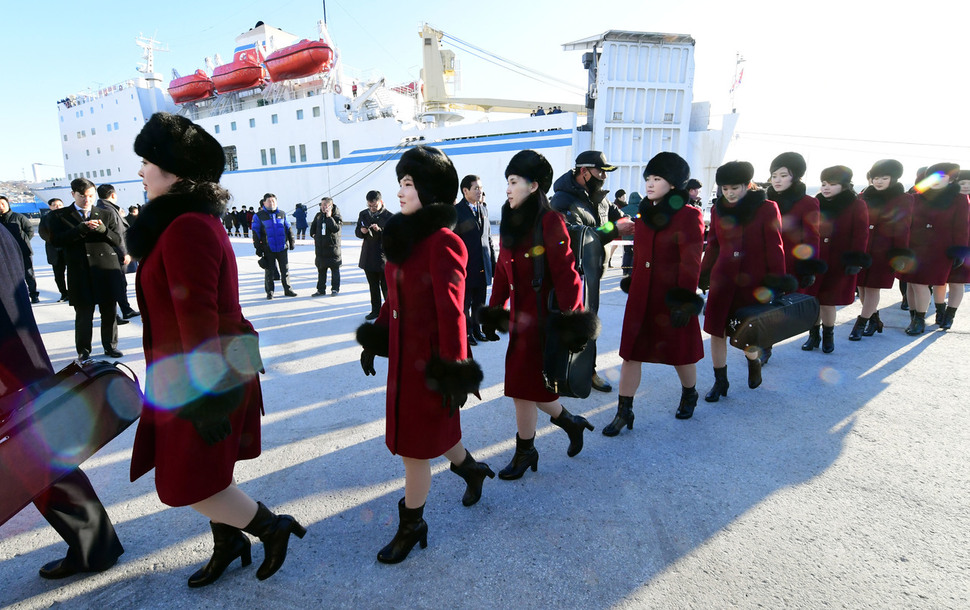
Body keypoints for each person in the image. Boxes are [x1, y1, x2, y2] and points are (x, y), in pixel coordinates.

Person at [127, 112, 305, 587]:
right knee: (208, 471)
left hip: (207, 371)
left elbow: (198, 317)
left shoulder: (186, 226)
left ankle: (271, 527)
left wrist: (207, 397)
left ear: (177, 173)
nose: (140, 172)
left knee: (189, 483)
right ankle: (229, 543)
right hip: (204, 364)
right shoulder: (184, 222)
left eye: (148, 162)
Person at [355, 145, 492, 564]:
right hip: (403, 357)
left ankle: (412, 526)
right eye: (400, 183)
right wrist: (376, 338)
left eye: (409, 184)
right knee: (433, 434)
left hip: (430, 364)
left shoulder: (443, 242)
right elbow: (390, 300)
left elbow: (452, 312)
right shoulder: (402, 235)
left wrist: (454, 370)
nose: (399, 191)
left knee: (415, 449)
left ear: (429, 190)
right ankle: (471, 468)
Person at [0, 227, 125, 580]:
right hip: (19, 364)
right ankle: (95, 544)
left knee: (33, 457)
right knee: (39, 454)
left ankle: (95, 546)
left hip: (9, 371)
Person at [480, 150, 600, 480]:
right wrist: (494, 311)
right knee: (528, 388)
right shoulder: (510, 220)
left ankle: (525, 450)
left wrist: (573, 321)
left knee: (524, 389)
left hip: (545, 322)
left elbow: (567, 274)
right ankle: (570, 423)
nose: (507, 187)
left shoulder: (549, 220)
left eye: (514, 181)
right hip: (521, 320)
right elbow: (503, 273)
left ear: (534, 186)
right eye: (507, 181)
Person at [603, 153, 705, 433]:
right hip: (641, 294)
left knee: (680, 352)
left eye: (657, 179)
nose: (650, 183)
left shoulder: (689, 215)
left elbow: (691, 261)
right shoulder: (643, 213)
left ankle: (689, 393)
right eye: (648, 178)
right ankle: (624, 412)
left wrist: (684, 301)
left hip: (672, 296)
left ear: (673, 184)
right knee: (631, 353)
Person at [700, 161, 790, 400]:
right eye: (725, 188)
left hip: (753, 281)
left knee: (747, 333)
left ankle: (754, 362)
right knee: (716, 330)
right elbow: (714, 245)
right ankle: (720, 382)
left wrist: (777, 282)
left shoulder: (767, 208)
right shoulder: (718, 209)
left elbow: (775, 246)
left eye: (735, 188)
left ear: (748, 185)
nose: (729, 193)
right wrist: (704, 274)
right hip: (722, 279)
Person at [551, 150, 635, 392]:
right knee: (567, 323)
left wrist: (627, 222)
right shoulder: (561, 201)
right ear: (584, 171)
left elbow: (618, 217)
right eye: (600, 172)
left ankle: (588, 370)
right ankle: (559, 374)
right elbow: (569, 238)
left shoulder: (599, 198)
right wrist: (614, 229)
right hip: (571, 275)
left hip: (593, 272)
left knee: (590, 323)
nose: (604, 177)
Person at [47, 178, 124, 359]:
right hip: (79, 270)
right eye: (82, 196)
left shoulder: (105, 213)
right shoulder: (59, 216)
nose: (87, 200)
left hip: (105, 268)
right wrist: (80, 229)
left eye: (90, 195)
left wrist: (103, 230)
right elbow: (56, 241)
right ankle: (84, 350)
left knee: (109, 312)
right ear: (73, 194)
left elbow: (118, 240)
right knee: (83, 314)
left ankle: (110, 346)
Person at [803, 166, 869, 351]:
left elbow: (861, 234)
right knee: (813, 299)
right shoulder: (816, 202)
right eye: (824, 183)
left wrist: (856, 259)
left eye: (832, 184)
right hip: (817, 259)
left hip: (839, 261)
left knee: (828, 301)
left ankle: (828, 336)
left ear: (844, 185)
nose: (826, 187)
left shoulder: (856, 204)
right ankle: (813, 335)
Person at [898, 163, 969, 334]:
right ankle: (914, 317)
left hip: (940, 248)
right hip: (914, 246)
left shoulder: (958, 199)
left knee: (922, 283)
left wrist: (959, 250)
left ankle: (922, 319)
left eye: (942, 177)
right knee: (912, 283)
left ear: (950, 179)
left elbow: (961, 226)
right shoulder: (917, 197)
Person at [766, 152, 823, 360]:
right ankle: (765, 346)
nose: (777, 180)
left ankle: (815, 332)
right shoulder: (764, 200)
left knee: (786, 309)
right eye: (774, 175)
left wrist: (808, 266)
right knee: (765, 307)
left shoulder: (808, 203)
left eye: (783, 175)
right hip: (765, 262)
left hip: (791, 264)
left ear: (795, 176)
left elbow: (811, 236)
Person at [854, 160, 914, 337]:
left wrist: (900, 255)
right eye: (875, 178)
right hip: (864, 249)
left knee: (873, 287)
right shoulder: (864, 196)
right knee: (862, 287)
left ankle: (860, 324)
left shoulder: (903, 199)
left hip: (884, 250)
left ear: (893, 178)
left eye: (884, 178)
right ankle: (874, 320)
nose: (878, 181)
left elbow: (903, 227)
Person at [454, 174, 496, 345]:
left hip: (482, 264)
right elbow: (454, 243)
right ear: (465, 191)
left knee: (480, 302)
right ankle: (467, 332)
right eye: (476, 188)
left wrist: (493, 263)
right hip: (466, 266)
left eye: (481, 187)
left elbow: (489, 239)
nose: (480, 191)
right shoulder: (457, 212)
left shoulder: (483, 209)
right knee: (465, 303)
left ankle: (477, 330)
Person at [96, 184, 140, 323]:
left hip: (112, 252)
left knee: (119, 283)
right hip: (114, 253)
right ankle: (115, 314)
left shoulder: (105, 208)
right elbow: (117, 234)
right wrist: (124, 253)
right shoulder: (108, 209)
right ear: (113, 195)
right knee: (116, 283)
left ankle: (125, 310)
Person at [935, 170, 970, 329]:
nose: (966, 187)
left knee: (957, 282)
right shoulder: (948, 200)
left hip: (966, 248)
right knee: (939, 281)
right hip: (945, 245)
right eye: (963, 183)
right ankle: (939, 311)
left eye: (969, 184)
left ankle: (950, 315)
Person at [356, 190, 394, 319]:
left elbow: (393, 237)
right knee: (373, 287)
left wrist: (380, 230)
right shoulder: (363, 214)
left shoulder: (389, 216)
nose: (372, 209)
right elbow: (357, 232)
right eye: (370, 206)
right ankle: (375, 310)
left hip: (383, 258)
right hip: (368, 256)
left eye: (375, 206)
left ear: (381, 202)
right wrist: (362, 231)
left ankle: (389, 311)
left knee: (386, 287)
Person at [252, 193, 297, 300]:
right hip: (268, 248)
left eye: (273, 201)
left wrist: (292, 241)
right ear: (264, 203)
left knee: (285, 270)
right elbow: (256, 233)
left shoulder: (282, 214)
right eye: (269, 201)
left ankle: (288, 289)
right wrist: (258, 248)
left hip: (282, 247)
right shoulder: (258, 216)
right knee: (269, 271)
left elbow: (288, 228)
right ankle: (270, 292)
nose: (271, 203)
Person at [0, 194, 39, 303]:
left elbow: (29, 231)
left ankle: (34, 295)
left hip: (23, 251)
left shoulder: (19, 217)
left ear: (7, 204)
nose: (1, 206)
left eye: (3, 204)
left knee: (29, 274)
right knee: (11, 276)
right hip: (5, 254)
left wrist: (22, 242)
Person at [38, 198, 70, 302]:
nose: (58, 206)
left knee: (73, 273)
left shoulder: (68, 215)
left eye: (60, 204)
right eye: (55, 205)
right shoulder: (45, 218)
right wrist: (54, 240)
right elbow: (42, 233)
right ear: (50, 206)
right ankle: (63, 293)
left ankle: (73, 293)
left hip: (67, 248)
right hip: (54, 249)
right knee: (58, 275)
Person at [309, 197, 342, 296]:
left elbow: (336, 228)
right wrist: (314, 235)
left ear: (330, 206)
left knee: (335, 271)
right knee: (321, 271)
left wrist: (329, 217)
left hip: (332, 250)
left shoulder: (337, 216)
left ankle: (335, 289)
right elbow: (313, 228)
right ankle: (320, 289)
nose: (323, 207)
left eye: (325, 205)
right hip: (321, 250)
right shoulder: (318, 216)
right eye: (321, 205)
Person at [606, 188, 627, 268]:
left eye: (625, 196)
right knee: (615, 245)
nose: (624, 198)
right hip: (617, 228)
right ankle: (609, 260)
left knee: (622, 246)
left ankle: (624, 262)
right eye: (623, 196)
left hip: (622, 228)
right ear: (619, 197)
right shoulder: (616, 206)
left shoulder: (625, 205)